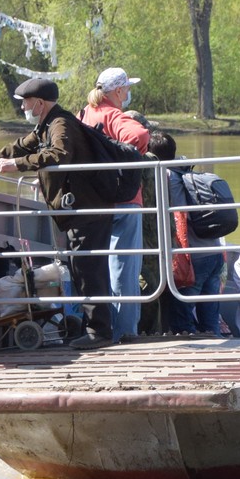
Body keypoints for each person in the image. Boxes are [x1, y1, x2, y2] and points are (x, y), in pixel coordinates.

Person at [0, 77, 115, 348]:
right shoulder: (45, 125)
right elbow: (19, 146)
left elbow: (60, 154)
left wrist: (17, 165)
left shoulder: (61, 124)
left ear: (39, 103)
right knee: (81, 269)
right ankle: (91, 327)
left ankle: (100, 333)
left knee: (89, 270)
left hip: (89, 211)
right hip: (79, 211)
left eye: (25, 102)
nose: (23, 107)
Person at [89, 66, 151, 342]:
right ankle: (125, 334)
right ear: (117, 91)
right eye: (126, 88)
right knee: (125, 270)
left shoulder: (84, 115)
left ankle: (103, 331)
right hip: (124, 201)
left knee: (98, 269)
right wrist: (122, 157)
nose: (128, 93)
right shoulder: (113, 115)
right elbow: (139, 137)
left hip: (93, 202)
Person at [149, 130, 224, 334]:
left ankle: (190, 353)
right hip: (214, 252)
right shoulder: (186, 170)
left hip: (193, 259)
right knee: (210, 319)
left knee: (182, 320)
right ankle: (217, 352)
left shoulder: (164, 175)